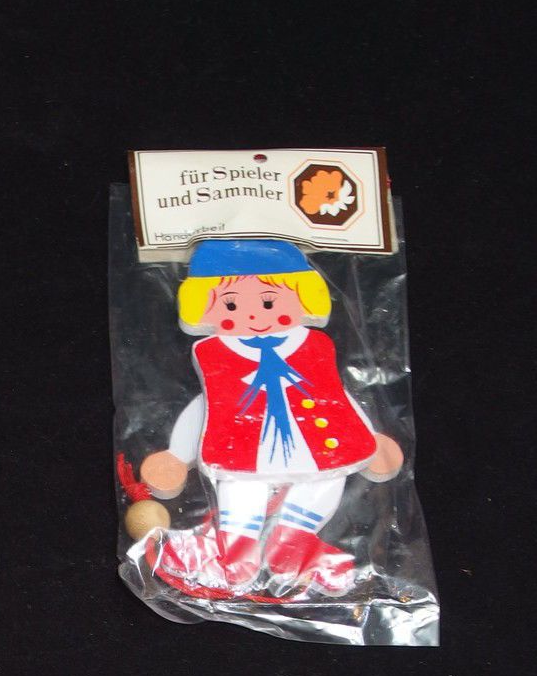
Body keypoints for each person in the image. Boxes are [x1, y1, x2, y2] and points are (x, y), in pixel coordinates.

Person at [140, 238, 403, 599]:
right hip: (244, 446)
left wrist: (369, 440)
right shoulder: (212, 353)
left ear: (304, 297)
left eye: (268, 301)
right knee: (241, 488)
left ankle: (293, 541)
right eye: (231, 304)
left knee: (327, 479)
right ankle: (235, 552)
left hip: (317, 441)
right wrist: (177, 454)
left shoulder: (315, 346)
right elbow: (204, 407)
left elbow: (335, 394)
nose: (253, 315)